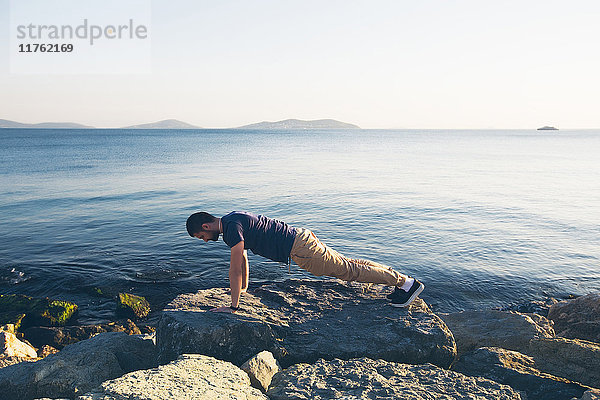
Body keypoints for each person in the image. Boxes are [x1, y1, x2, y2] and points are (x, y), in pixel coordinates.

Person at [186, 211, 424, 313]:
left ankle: (406, 283)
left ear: (205, 226)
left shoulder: (229, 230)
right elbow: (244, 259)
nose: (205, 241)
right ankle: (402, 282)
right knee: (350, 264)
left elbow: (235, 267)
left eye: (201, 237)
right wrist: (245, 290)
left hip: (300, 249)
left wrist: (234, 306)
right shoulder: (231, 220)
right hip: (300, 237)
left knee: (348, 271)